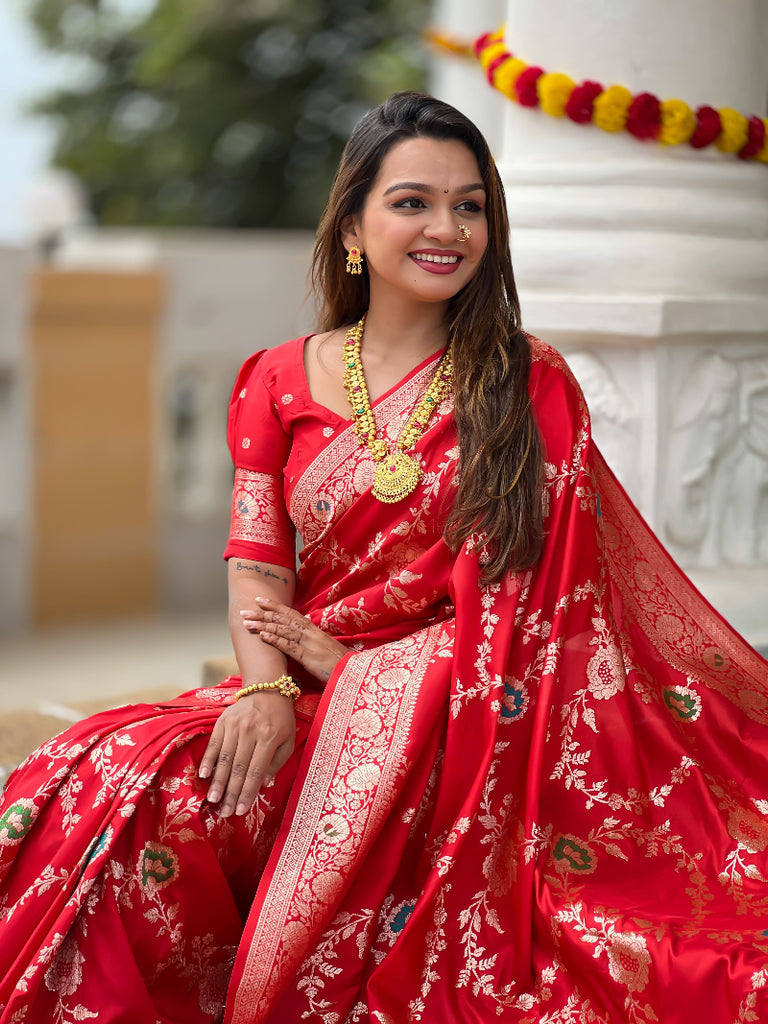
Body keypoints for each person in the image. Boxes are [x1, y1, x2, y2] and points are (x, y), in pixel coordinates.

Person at [0, 92, 767, 1024]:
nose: (447, 228)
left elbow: (546, 607)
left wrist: (365, 671)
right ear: (354, 221)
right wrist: (268, 691)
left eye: (470, 205)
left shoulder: (529, 385)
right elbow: (256, 563)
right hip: (306, 688)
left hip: (461, 717)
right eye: (413, 202)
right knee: (106, 767)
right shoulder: (275, 376)